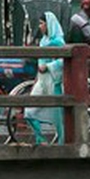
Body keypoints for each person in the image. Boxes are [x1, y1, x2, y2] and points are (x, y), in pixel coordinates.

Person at [30, 12, 68, 144]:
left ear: (48, 24)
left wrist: (48, 66)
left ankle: (61, 143)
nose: (40, 27)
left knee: (58, 117)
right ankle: (40, 139)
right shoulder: (43, 41)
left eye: (41, 23)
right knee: (29, 111)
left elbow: (64, 61)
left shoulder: (58, 41)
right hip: (41, 80)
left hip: (53, 80)